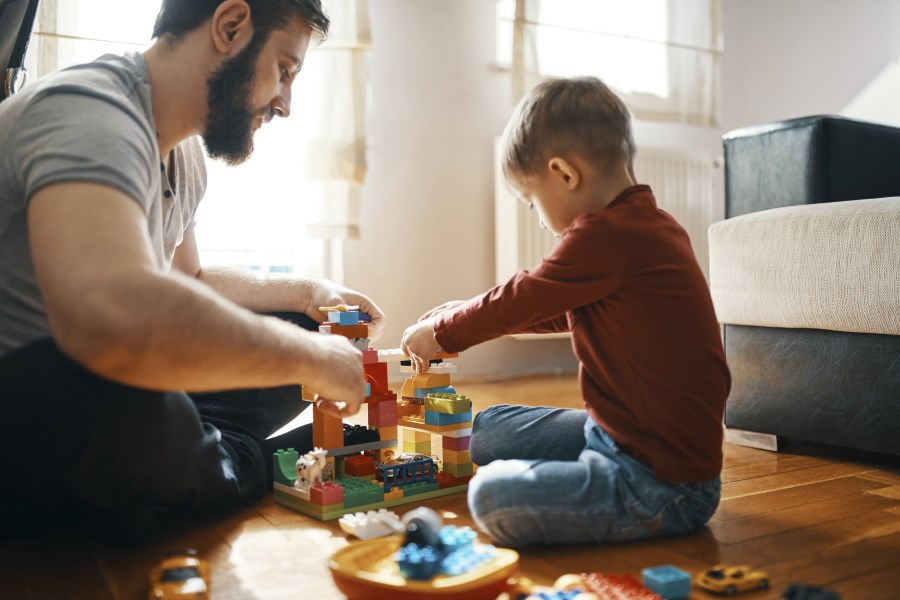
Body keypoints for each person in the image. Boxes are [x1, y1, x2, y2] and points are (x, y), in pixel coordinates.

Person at [0, 0, 381, 541]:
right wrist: (311, 358)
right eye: (284, 70)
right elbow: (111, 319)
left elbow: (190, 281)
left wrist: (307, 293)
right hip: (37, 406)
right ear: (229, 27)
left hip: (109, 399)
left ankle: (199, 460)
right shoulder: (87, 112)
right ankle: (237, 464)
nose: (286, 103)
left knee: (307, 326)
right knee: (119, 412)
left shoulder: (182, 155)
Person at [401, 76, 730, 547]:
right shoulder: (642, 228)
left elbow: (528, 296)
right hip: (619, 435)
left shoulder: (608, 235)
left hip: (662, 483)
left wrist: (444, 331)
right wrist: (463, 312)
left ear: (565, 174)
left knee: (489, 496)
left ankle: (577, 486)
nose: (537, 215)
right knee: (487, 431)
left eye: (532, 200)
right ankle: (571, 476)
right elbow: (556, 307)